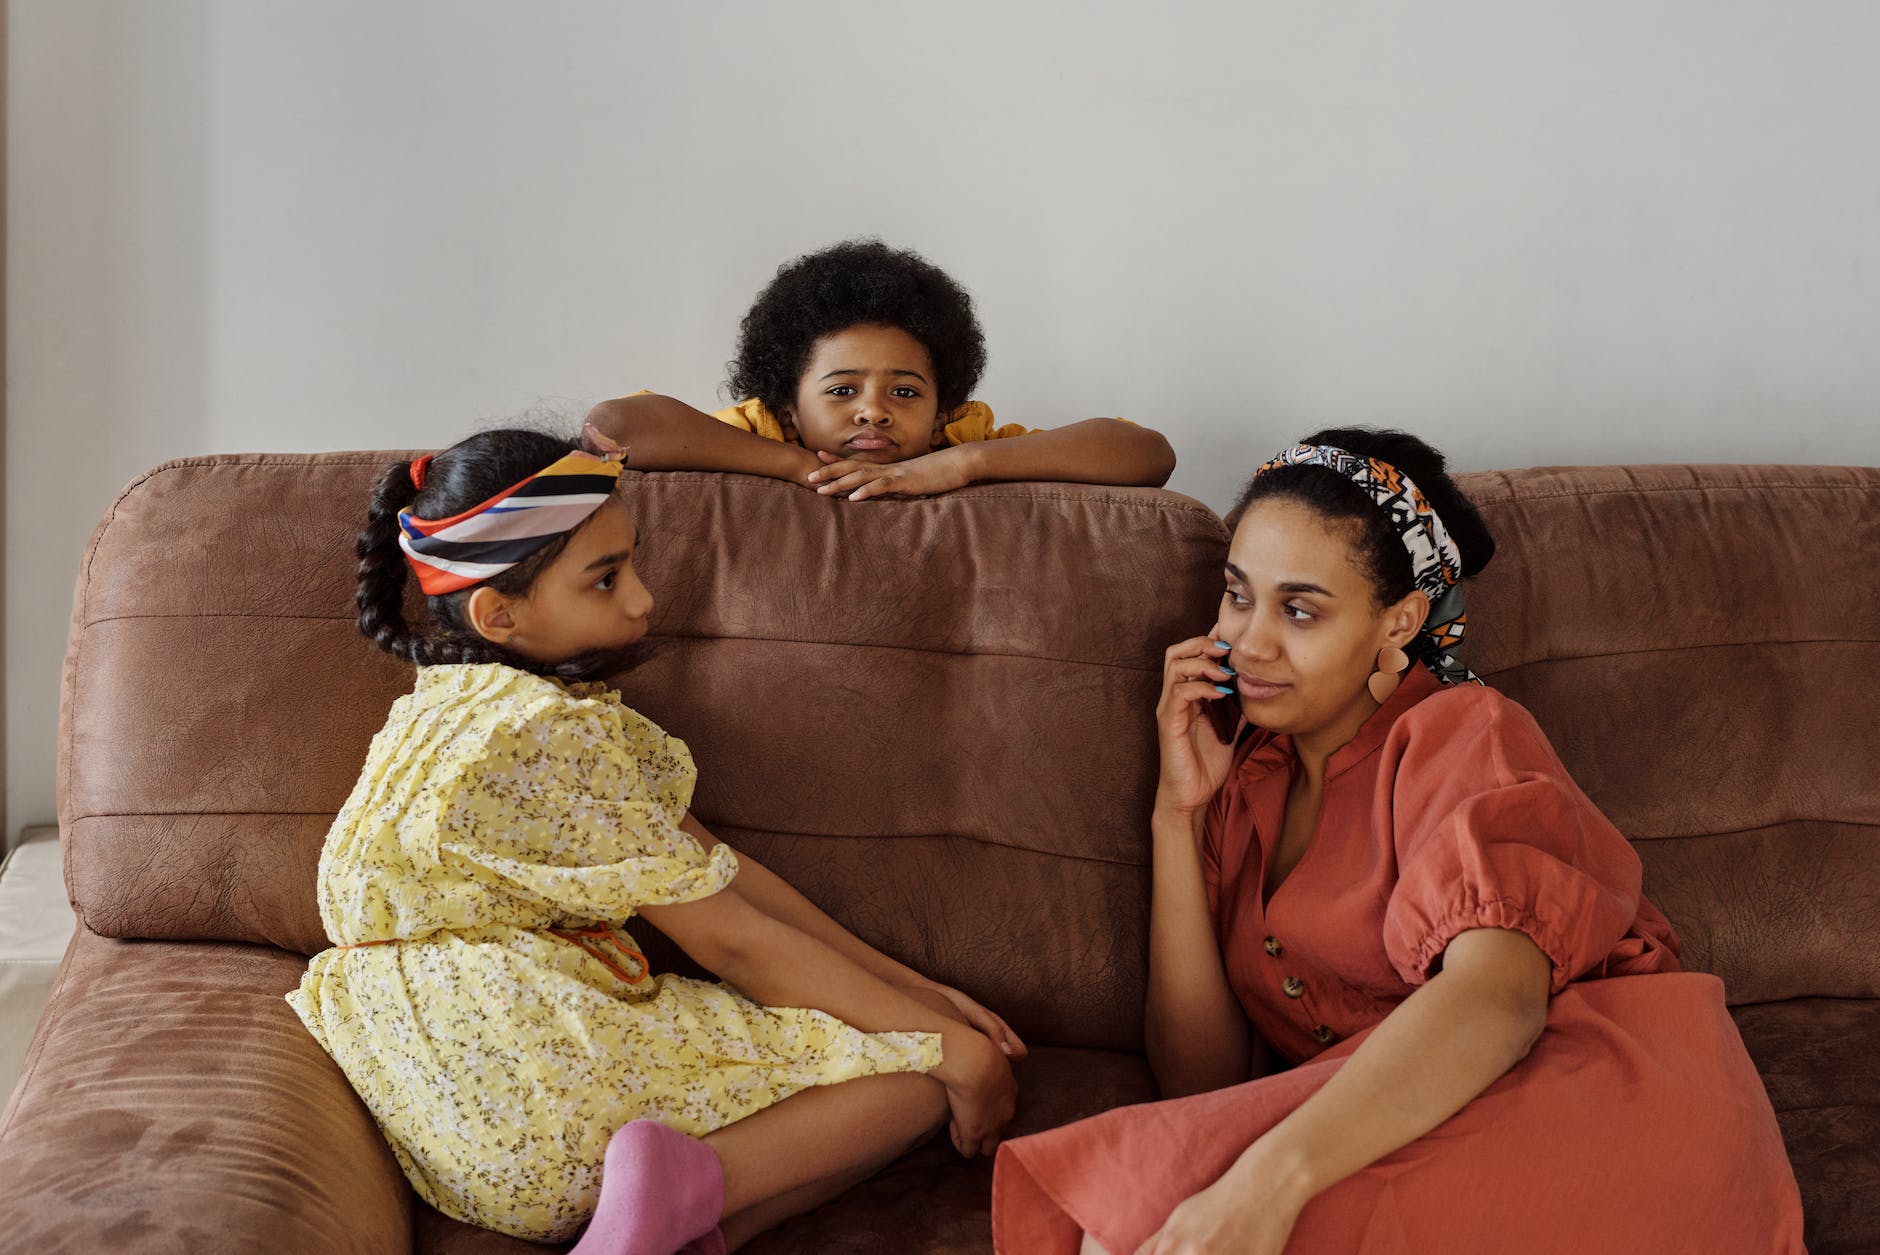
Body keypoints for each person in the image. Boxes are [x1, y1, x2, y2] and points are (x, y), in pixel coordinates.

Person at [991, 429, 1804, 1254]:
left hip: (1594, 1100)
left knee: (1146, 1225)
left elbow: (1499, 1000)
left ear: (1401, 619)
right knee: (1131, 1209)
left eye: (1300, 609)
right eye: (1238, 595)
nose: (1249, 642)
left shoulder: (1461, 734)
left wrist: (1265, 1183)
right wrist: (1178, 812)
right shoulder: (1242, 776)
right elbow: (1201, 1083)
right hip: (1414, 1119)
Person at [287, 427, 1022, 1254]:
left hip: (441, 1115)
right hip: (538, 1070)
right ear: (500, 612)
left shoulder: (442, 706)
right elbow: (736, 940)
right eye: (606, 579)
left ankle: (671, 1230)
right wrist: (951, 1048)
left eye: (631, 562)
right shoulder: (550, 732)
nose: (641, 600)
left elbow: (726, 875)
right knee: (917, 1080)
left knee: (913, 1042)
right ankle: (675, 1188)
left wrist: (918, 990)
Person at [584, 239, 1175, 499]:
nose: (874, 408)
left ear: (943, 409)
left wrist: (961, 465)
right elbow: (615, 425)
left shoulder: (957, 438)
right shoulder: (763, 430)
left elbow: (1149, 453)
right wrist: (795, 467)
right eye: (842, 389)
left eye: (905, 390)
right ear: (788, 405)